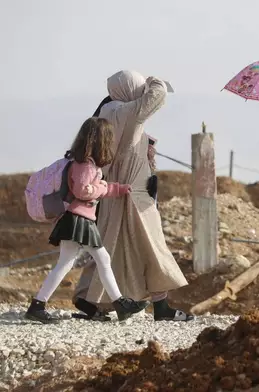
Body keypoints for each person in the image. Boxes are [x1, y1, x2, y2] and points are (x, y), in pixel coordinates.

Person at [72, 70, 193, 322]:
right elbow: (157, 97)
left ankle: (92, 301)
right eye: (137, 88)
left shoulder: (107, 111)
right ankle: (161, 308)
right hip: (134, 196)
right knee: (152, 247)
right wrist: (153, 81)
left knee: (111, 249)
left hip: (114, 193)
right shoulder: (124, 111)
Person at [25, 117, 149, 324]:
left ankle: (38, 305)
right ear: (101, 140)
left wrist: (116, 189)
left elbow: (94, 187)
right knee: (100, 259)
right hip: (79, 220)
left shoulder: (84, 164)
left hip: (76, 219)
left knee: (69, 263)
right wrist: (102, 188)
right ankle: (121, 304)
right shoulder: (86, 166)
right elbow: (83, 190)